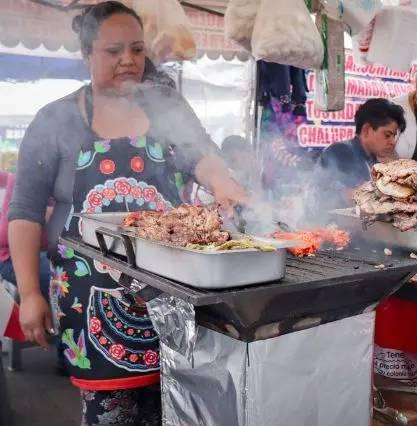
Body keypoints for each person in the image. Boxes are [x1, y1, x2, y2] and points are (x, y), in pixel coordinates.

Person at [8, 2, 247, 425]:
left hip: (171, 294)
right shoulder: (56, 120)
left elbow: (201, 156)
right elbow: (25, 212)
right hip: (88, 298)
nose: (128, 61)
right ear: (87, 55)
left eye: (136, 49)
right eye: (113, 51)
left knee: (176, 406)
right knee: (109, 415)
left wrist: (225, 185)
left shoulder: (165, 107)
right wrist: (30, 292)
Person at [316, 98, 406, 209]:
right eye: (387, 135)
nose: (392, 142)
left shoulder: (373, 158)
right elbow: (343, 196)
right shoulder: (341, 152)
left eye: (394, 136)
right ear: (366, 130)